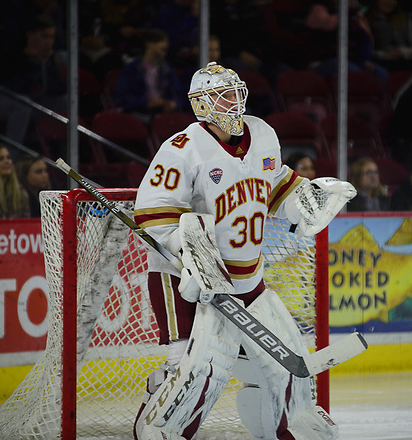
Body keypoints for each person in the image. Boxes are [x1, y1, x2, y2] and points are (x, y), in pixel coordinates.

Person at [132, 62, 353, 440]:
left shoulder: (263, 133)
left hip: (248, 279)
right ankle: (160, 426)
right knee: (195, 371)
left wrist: (304, 202)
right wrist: (188, 256)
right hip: (184, 278)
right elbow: (152, 212)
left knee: (283, 365)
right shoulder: (182, 148)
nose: (234, 102)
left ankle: (281, 428)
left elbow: (276, 184)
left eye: (237, 93)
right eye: (223, 96)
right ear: (201, 105)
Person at [0, 15, 67, 146]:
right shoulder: (11, 49)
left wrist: (46, 64)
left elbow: (59, 89)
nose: (49, 41)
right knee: (23, 104)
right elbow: (15, 87)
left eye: (52, 37)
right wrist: (29, 60)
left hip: (32, 100)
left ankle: (64, 158)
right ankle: (12, 156)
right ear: (31, 35)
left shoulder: (47, 56)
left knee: (65, 101)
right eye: (44, 36)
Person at [113, 28, 184, 123]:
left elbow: (178, 93)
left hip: (163, 113)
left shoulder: (168, 69)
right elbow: (122, 98)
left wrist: (173, 103)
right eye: (160, 41)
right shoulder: (132, 69)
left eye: (166, 42)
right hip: (137, 113)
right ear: (148, 43)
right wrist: (146, 103)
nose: (166, 45)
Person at [367, 0, 412, 72]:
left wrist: (402, 52)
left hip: (405, 61)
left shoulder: (404, 19)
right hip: (381, 62)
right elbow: (366, 51)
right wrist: (384, 55)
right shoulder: (367, 20)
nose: (390, 2)